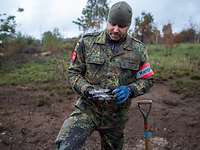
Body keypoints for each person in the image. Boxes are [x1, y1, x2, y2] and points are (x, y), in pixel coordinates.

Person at [55, 1, 154, 150]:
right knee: (66, 146)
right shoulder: (87, 42)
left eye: (121, 26)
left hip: (116, 117)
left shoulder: (138, 49)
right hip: (87, 109)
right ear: (107, 21)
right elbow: (73, 72)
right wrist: (86, 89)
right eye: (112, 24)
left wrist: (130, 90)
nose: (115, 29)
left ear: (128, 26)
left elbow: (148, 79)